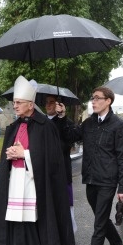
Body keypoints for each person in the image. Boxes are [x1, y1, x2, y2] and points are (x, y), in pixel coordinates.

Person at [0, 76, 75, 245]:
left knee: (36, 222)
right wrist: (10, 156)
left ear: (30, 104)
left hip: (36, 182)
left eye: (18, 103)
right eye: (14, 102)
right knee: (18, 223)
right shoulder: (16, 125)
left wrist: (24, 155)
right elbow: (11, 151)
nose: (15, 106)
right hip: (17, 180)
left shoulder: (45, 126)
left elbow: (52, 158)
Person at [58, 86, 123, 245]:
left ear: (108, 101)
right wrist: (63, 117)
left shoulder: (118, 125)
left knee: (98, 224)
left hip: (108, 180)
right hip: (90, 179)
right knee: (102, 218)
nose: (94, 101)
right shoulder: (88, 123)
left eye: (97, 98)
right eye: (92, 98)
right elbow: (72, 136)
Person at [44, 94, 77, 233]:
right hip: (45, 169)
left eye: (52, 102)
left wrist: (62, 119)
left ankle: (66, 231)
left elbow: (68, 142)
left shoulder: (67, 122)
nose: (48, 105)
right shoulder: (41, 122)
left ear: (59, 105)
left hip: (61, 168)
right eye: (46, 103)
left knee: (64, 202)